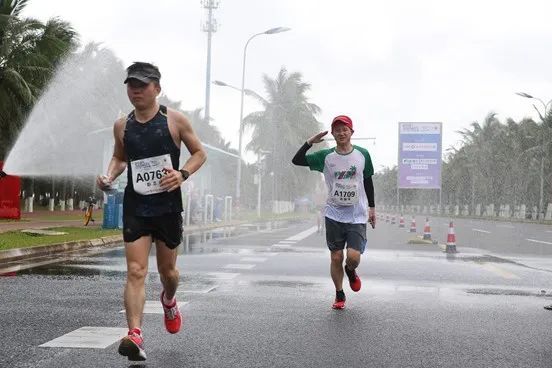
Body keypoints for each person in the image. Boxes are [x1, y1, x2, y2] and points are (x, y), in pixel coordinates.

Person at [96, 62, 206, 361]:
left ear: (157, 88)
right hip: (136, 206)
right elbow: (120, 157)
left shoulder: (175, 120)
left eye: (142, 85)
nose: (136, 90)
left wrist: (182, 174)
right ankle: (135, 334)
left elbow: (200, 153)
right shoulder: (122, 125)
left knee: (168, 272)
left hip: (167, 207)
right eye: (131, 84)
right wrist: (109, 176)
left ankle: (169, 300)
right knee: (135, 270)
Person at [292, 115, 376, 310]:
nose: (341, 132)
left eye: (344, 129)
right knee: (336, 256)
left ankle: (351, 271)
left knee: (353, 257)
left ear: (352, 132)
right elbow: (296, 160)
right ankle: (339, 294)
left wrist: (372, 208)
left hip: (357, 214)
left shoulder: (363, 154)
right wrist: (309, 142)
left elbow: (369, 181)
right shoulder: (326, 156)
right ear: (333, 133)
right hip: (333, 214)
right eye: (337, 129)